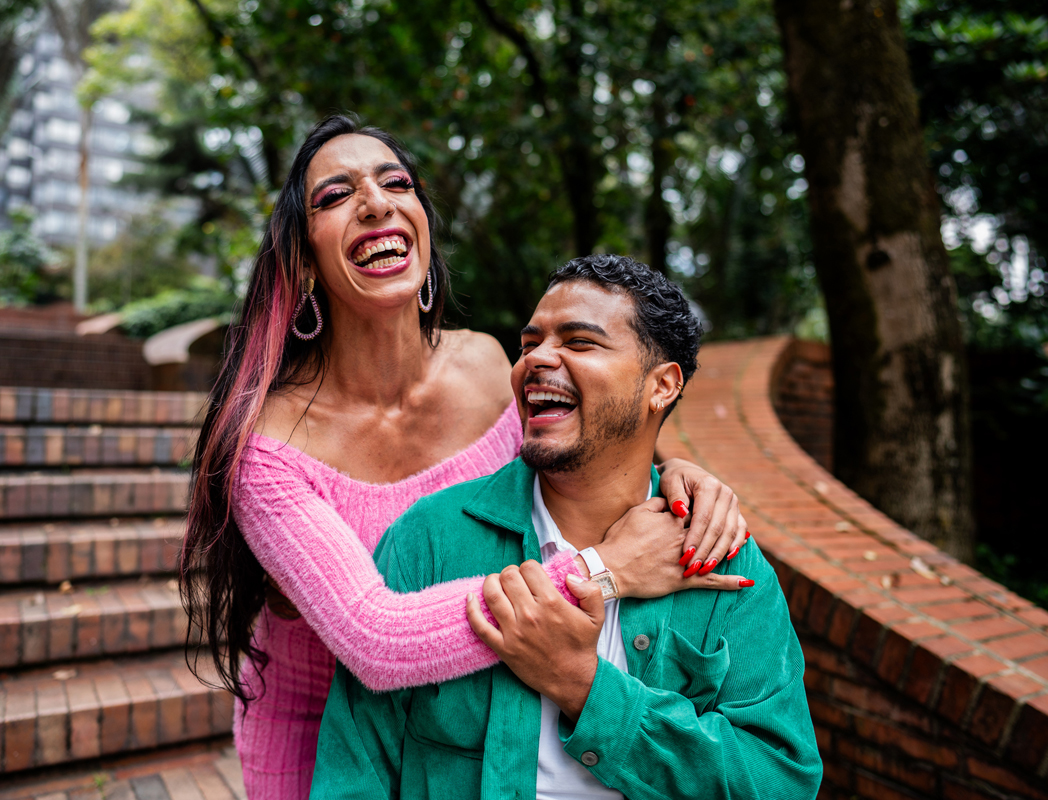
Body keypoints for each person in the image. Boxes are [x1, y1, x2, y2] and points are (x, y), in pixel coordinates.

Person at [180, 115, 752, 799]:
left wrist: (670, 473)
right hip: (320, 742)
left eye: (396, 183)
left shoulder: (485, 365)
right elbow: (376, 639)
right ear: (303, 259)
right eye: (336, 196)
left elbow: (576, 461)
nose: (376, 201)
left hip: (463, 718)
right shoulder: (266, 444)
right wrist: (606, 571)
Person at [310, 254, 822, 800]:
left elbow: (781, 781)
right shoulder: (428, 540)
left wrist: (585, 687)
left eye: (579, 342)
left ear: (662, 386)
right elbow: (353, 777)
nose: (536, 360)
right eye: (530, 344)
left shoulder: (723, 561)